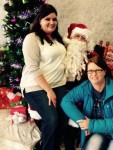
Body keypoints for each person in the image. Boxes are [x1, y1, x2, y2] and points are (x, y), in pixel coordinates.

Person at [61, 56, 113, 150]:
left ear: (104, 71)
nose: (94, 74)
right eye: (90, 71)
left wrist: (91, 125)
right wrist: (83, 121)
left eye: (98, 70)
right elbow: (66, 101)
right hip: (98, 131)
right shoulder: (85, 87)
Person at [20, 4, 68, 150]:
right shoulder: (31, 38)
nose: (52, 22)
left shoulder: (57, 39)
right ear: (39, 21)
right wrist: (49, 90)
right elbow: (32, 68)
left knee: (64, 117)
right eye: (47, 19)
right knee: (52, 119)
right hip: (35, 85)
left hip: (58, 83)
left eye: (54, 19)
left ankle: (50, 144)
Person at [63, 23, 95, 150]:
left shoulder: (90, 59)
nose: (80, 40)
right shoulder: (61, 53)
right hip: (61, 94)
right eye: (77, 36)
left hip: (80, 97)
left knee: (75, 123)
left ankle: (72, 142)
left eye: (83, 38)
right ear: (70, 38)